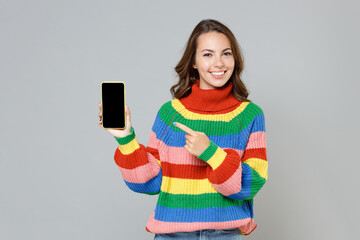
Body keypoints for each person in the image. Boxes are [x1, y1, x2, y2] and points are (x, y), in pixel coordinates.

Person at [98, 19, 268, 240]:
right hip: (172, 235)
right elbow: (151, 182)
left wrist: (211, 153)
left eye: (226, 53)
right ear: (194, 62)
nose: (219, 63)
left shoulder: (250, 115)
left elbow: (251, 183)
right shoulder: (170, 113)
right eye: (208, 54)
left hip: (224, 235)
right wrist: (126, 139)